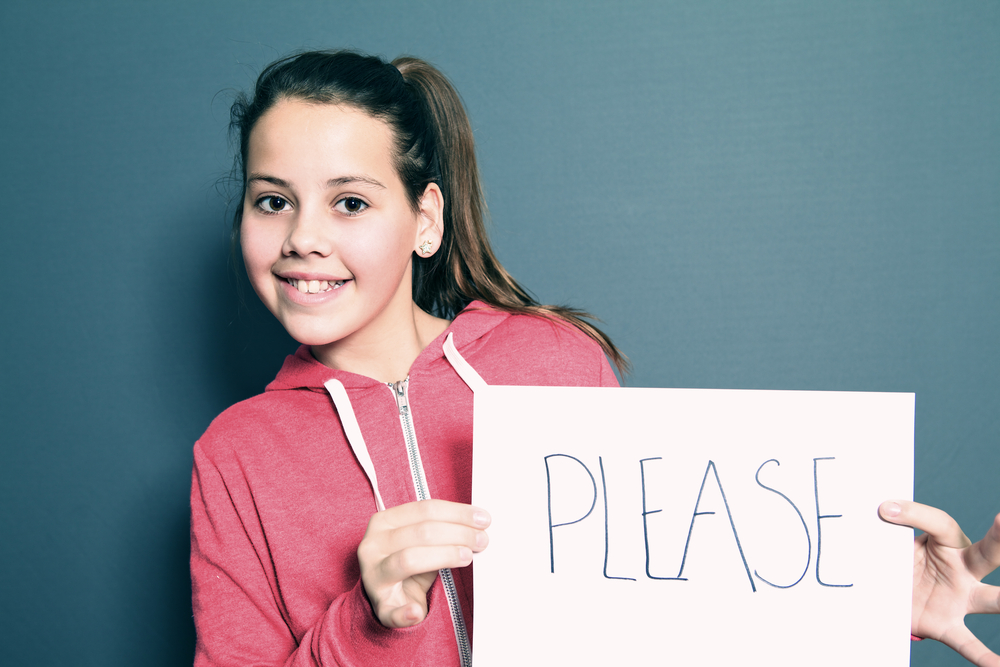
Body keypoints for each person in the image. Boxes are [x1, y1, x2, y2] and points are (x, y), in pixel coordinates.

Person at [190, 49, 1000, 667]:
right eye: (273, 200)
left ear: (425, 219)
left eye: (351, 202)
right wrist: (364, 622)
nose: (303, 236)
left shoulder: (549, 358)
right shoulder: (235, 453)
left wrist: (866, 600)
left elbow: (669, 600)